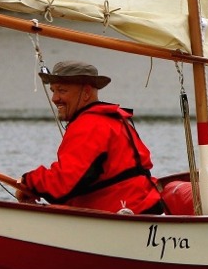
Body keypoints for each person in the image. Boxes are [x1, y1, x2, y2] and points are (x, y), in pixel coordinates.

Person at [15, 61, 165, 215]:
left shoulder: (90, 124)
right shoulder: (110, 120)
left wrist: (28, 182)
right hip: (144, 207)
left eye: (62, 90)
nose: (54, 98)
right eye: (53, 90)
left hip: (127, 214)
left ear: (86, 92)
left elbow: (64, 183)